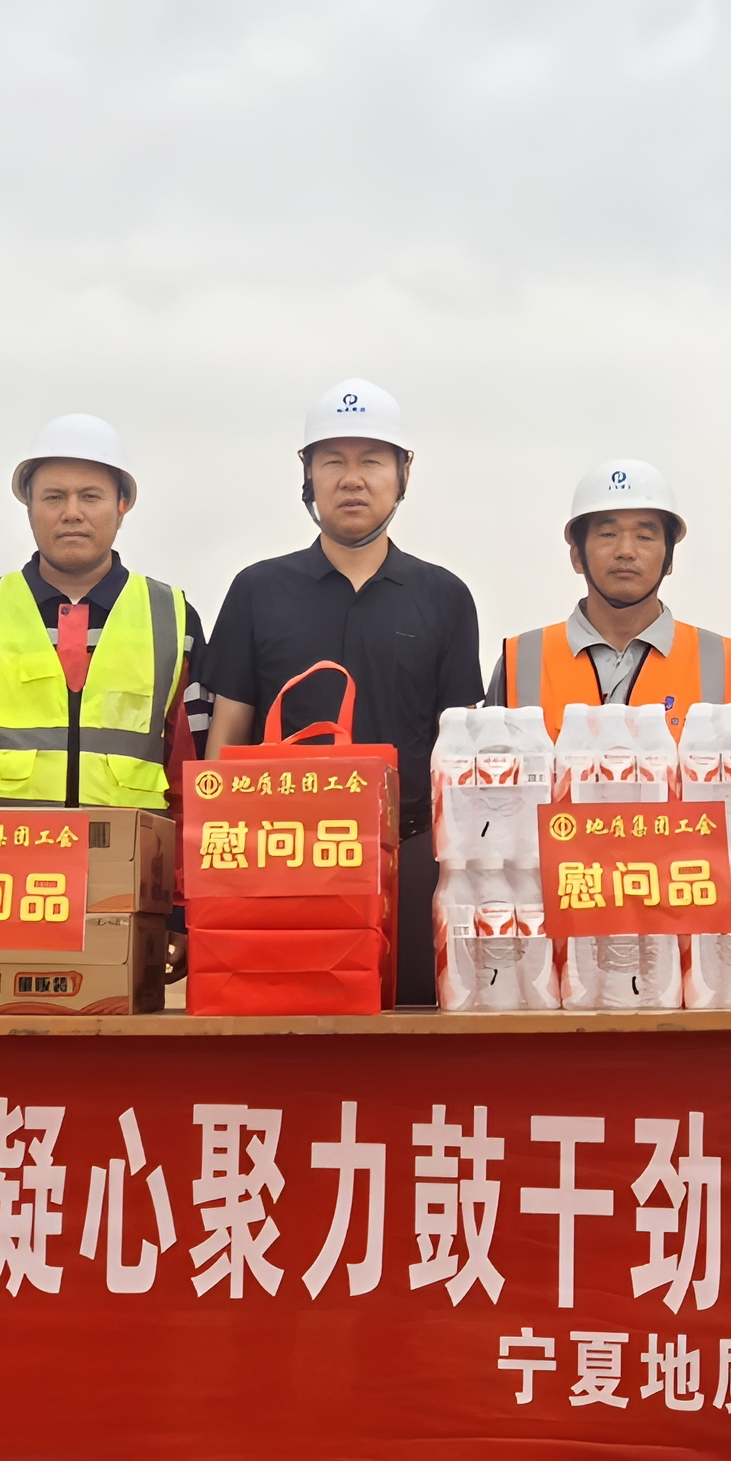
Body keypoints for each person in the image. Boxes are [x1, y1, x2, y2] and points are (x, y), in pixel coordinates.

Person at [203, 379, 484, 1008]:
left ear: (404, 472)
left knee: (413, 1025)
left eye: (371, 460)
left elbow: (460, 756)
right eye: (332, 461)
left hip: (413, 861)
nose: (351, 479)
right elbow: (226, 740)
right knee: (286, 1027)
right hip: (280, 863)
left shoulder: (443, 597)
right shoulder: (258, 590)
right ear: (306, 475)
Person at [0, 414, 211, 829]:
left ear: (122, 505)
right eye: (54, 497)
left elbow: (197, 767)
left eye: (91, 497)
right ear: (29, 505)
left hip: (127, 877)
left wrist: (184, 888)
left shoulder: (171, 617)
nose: (72, 513)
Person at [490, 457, 731, 729]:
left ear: (669, 558)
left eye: (644, 537)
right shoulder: (521, 661)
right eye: (608, 534)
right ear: (577, 554)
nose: (626, 550)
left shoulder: (721, 662)